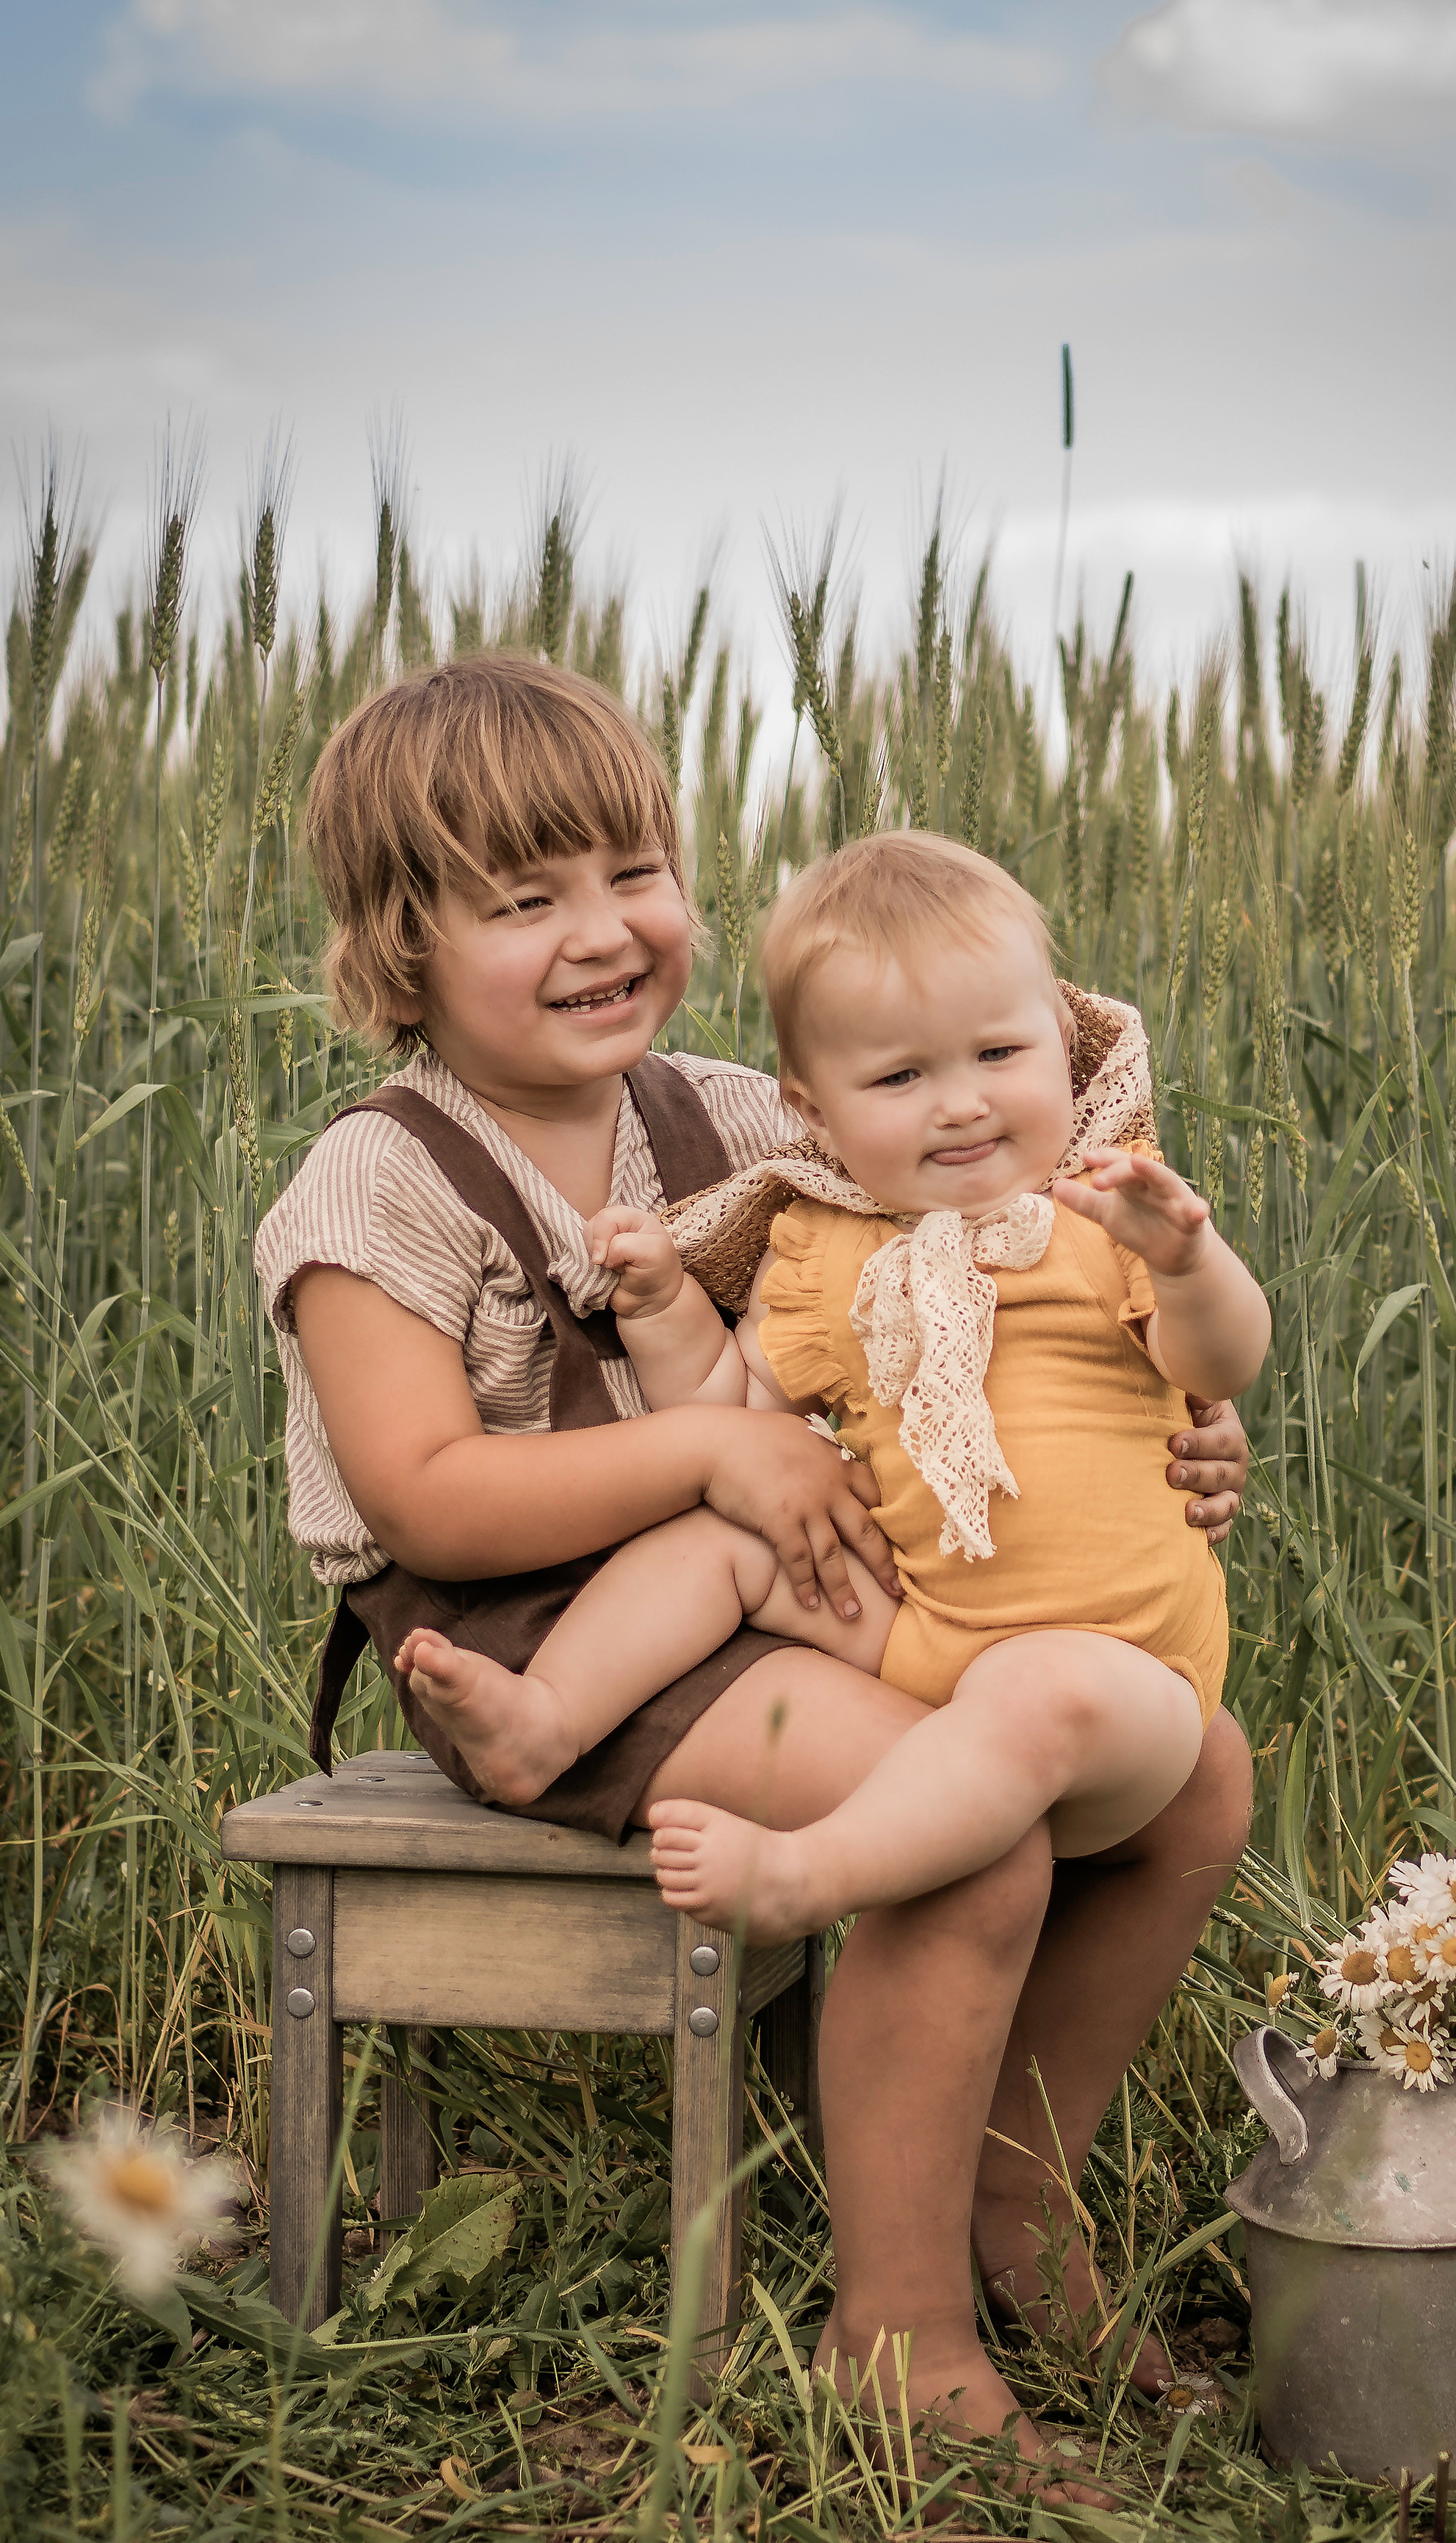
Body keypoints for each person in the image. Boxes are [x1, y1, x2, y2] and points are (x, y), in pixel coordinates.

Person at [256, 654, 1256, 2492]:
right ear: (400, 943)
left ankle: (1020, 2201)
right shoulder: (376, 1181)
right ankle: (895, 2331)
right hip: (545, 1621)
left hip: (792, 1560)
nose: (601, 930)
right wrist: (718, 1442)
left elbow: (965, 1297)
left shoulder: (745, 1110)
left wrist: (1162, 1418)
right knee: (965, 1828)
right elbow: (426, 1502)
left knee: (1196, 1773)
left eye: (633, 870)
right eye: (524, 897)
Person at [394, 835, 1269, 1950]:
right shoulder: (821, 1249)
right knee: (722, 1543)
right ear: (811, 1112)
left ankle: (813, 1873)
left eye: (998, 1053)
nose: (960, 1104)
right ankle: (548, 1721)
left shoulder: (1109, 1209)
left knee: (1039, 1693)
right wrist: (663, 1306)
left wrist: (1192, 1267)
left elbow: (1221, 1364)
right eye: (902, 1078)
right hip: (919, 1626)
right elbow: (736, 1412)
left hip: (1122, 1673)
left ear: (1063, 1041)